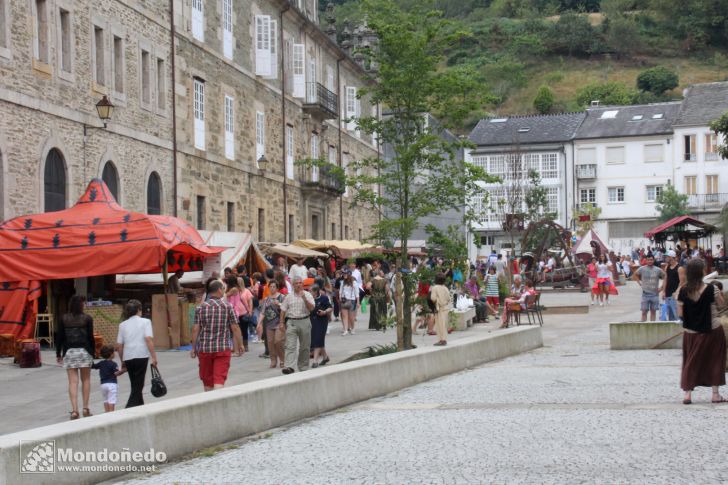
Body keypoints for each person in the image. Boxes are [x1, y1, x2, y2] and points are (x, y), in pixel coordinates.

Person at [678, 258, 727, 404]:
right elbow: (721, 304)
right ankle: (715, 394)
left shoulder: (683, 290)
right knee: (716, 360)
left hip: (691, 333)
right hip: (712, 330)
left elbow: (680, 313)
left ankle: (687, 394)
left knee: (690, 361)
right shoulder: (713, 288)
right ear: (702, 272)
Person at [191, 280, 244, 391]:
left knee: (207, 381)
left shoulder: (200, 308)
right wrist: (240, 344)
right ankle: (218, 402)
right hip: (222, 349)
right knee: (219, 379)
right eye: (223, 289)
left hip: (205, 349)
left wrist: (193, 348)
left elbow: (195, 329)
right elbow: (235, 327)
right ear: (219, 290)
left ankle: (209, 405)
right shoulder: (227, 306)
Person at [56, 295, 95, 420]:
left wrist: (58, 353)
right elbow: (91, 338)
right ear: (81, 305)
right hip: (84, 351)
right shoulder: (87, 318)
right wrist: (93, 353)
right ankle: (85, 408)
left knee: (73, 382)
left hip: (70, 352)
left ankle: (74, 411)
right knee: (86, 380)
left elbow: (60, 337)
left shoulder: (64, 318)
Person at [117, 299, 158, 407]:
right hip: (141, 355)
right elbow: (148, 339)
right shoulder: (145, 322)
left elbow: (119, 346)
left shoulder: (122, 325)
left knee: (135, 384)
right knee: (138, 385)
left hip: (128, 356)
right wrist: (154, 357)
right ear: (139, 310)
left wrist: (122, 361)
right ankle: (129, 408)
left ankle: (140, 406)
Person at [279, 276, 315, 374]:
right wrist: (281, 322)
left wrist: (304, 299)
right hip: (292, 322)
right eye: (296, 283)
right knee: (290, 345)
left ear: (302, 284)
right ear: (293, 285)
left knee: (305, 346)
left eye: (300, 283)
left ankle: (303, 366)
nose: (298, 285)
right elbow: (283, 309)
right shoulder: (288, 296)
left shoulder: (308, 295)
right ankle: (289, 367)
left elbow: (311, 308)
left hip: (304, 321)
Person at [257, 281, 285, 368]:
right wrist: (259, 323)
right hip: (269, 324)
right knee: (270, 343)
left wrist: (279, 304)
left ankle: (282, 359)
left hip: (279, 323)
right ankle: (273, 360)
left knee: (278, 341)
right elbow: (263, 312)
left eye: (274, 286)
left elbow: (286, 308)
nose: (272, 288)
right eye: (271, 287)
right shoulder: (266, 299)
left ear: (277, 288)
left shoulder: (282, 297)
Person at [92, 345, 125, 413]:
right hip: (112, 384)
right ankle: (111, 413)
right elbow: (116, 373)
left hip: (103, 384)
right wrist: (124, 370)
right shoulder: (113, 364)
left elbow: (94, 366)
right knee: (112, 400)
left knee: (106, 400)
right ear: (111, 354)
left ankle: (106, 413)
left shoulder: (101, 363)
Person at [634, 254, 664, 322]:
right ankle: (643, 327)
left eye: (651, 260)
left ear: (653, 260)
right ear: (646, 260)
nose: (650, 261)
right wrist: (639, 283)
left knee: (653, 312)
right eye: (648, 260)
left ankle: (652, 328)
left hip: (655, 294)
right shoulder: (642, 268)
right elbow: (635, 274)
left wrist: (661, 288)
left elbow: (665, 277)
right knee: (644, 312)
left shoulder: (658, 270)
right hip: (645, 294)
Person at [310, 285, 333, 368]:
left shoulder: (324, 298)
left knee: (318, 339)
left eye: (311, 291)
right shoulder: (309, 299)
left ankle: (315, 361)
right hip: (312, 321)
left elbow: (330, 308)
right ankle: (325, 357)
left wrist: (324, 312)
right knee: (319, 339)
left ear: (315, 292)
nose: (309, 292)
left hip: (322, 321)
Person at [430, 273, 451, 346]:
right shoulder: (445, 288)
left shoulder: (435, 288)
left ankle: (442, 340)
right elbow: (449, 298)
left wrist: (437, 300)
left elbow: (433, 298)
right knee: (444, 324)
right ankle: (443, 339)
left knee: (439, 325)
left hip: (439, 308)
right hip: (445, 307)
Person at [661, 250, 680, 321]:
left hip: (675, 294)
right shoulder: (667, 267)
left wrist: (677, 292)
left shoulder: (679, 267)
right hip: (668, 294)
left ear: (671, 257)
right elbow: (665, 279)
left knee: (677, 315)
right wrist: (663, 291)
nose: (666, 258)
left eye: (667, 257)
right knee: (670, 315)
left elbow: (682, 282)